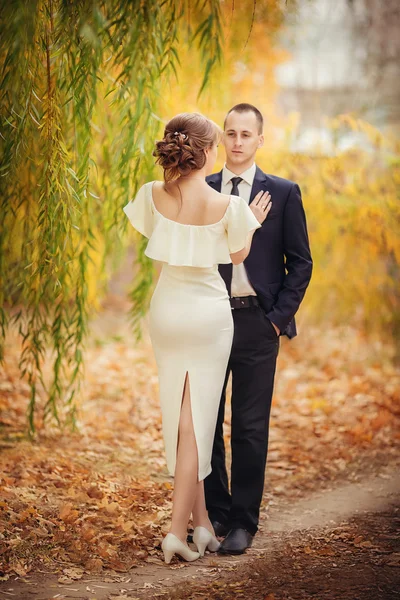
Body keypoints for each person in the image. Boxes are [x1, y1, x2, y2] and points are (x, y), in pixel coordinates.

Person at [122, 112, 272, 564]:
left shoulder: (152, 194)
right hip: (208, 313)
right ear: (207, 152)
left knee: (182, 411)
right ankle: (175, 530)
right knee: (197, 421)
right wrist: (253, 221)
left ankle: (203, 523)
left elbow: (155, 233)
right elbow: (236, 253)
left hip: (167, 308)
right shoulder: (228, 207)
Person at [204, 103, 313, 555]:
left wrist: (275, 321)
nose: (237, 141)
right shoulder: (203, 189)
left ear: (260, 140)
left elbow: (301, 264)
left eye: (246, 134)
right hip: (208, 317)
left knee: (249, 427)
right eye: (230, 133)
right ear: (222, 138)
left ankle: (244, 522)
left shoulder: (283, 192)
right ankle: (215, 513)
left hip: (257, 323)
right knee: (205, 422)